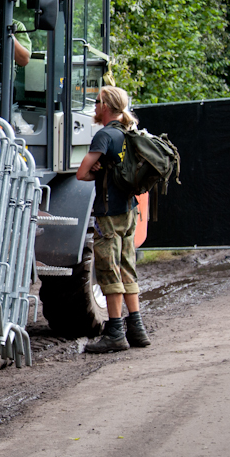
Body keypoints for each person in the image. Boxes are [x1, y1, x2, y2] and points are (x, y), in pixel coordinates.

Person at [75, 85, 151, 353]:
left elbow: (81, 173)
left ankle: (116, 332)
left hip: (109, 214)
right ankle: (138, 330)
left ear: (106, 105)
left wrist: (98, 171)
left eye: (97, 102)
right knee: (127, 267)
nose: (94, 107)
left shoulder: (104, 136)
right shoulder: (130, 132)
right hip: (130, 211)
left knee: (108, 271)